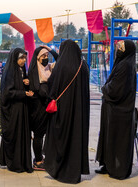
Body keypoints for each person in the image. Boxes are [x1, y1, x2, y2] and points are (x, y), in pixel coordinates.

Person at [43, 39, 90, 184]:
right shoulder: (83, 66)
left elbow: (52, 86)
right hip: (79, 113)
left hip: (62, 112)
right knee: (75, 138)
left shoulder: (60, 67)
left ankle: (59, 169)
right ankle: (74, 172)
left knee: (60, 138)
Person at [95, 40, 137, 180]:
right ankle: (108, 165)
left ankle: (117, 169)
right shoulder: (123, 63)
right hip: (113, 112)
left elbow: (116, 89)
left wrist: (104, 88)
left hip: (120, 113)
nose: (118, 50)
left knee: (117, 142)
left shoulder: (125, 66)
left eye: (121, 48)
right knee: (109, 139)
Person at [0, 48, 34, 173]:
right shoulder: (9, 71)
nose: (23, 60)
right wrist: (23, 93)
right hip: (14, 110)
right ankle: (14, 162)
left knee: (22, 136)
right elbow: (7, 92)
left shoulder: (22, 70)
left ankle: (22, 162)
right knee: (14, 135)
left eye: (24, 58)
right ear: (15, 58)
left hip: (22, 108)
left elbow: (20, 86)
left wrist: (27, 83)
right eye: (21, 58)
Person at [28, 46, 58, 171]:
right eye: (43, 56)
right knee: (38, 135)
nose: (46, 58)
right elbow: (38, 91)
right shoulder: (34, 72)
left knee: (43, 134)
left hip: (47, 107)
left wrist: (50, 50)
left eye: (47, 56)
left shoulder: (49, 68)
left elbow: (60, 60)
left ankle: (39, 158)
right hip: (38, 108)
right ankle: (38, 160)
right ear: (37, 58)